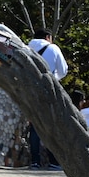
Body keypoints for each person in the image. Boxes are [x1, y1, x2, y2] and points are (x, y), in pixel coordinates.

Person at [27, 29, 67, 169]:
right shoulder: (53, 48)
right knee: (51, 126)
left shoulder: (26, 48)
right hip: (48, 91)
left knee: (35, 127)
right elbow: (63, 71)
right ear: (48, 37)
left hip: (30, 91)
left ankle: (35, 161)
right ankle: (53, 161)